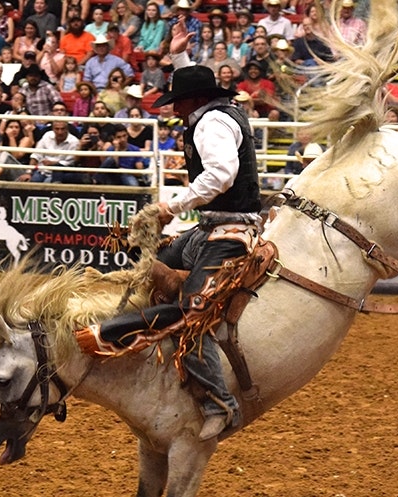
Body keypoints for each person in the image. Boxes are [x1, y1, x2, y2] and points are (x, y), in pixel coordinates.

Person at [74, 17, 258, 442]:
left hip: (229, 232)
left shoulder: (210, 124)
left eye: (176, 100)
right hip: (211, 227)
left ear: (192, 100)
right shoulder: (217, 113)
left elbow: (222, 174)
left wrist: (170, 205)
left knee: (194, 313)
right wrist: (179, 55)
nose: (172, 108)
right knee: (150, 269)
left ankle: (219, 403)